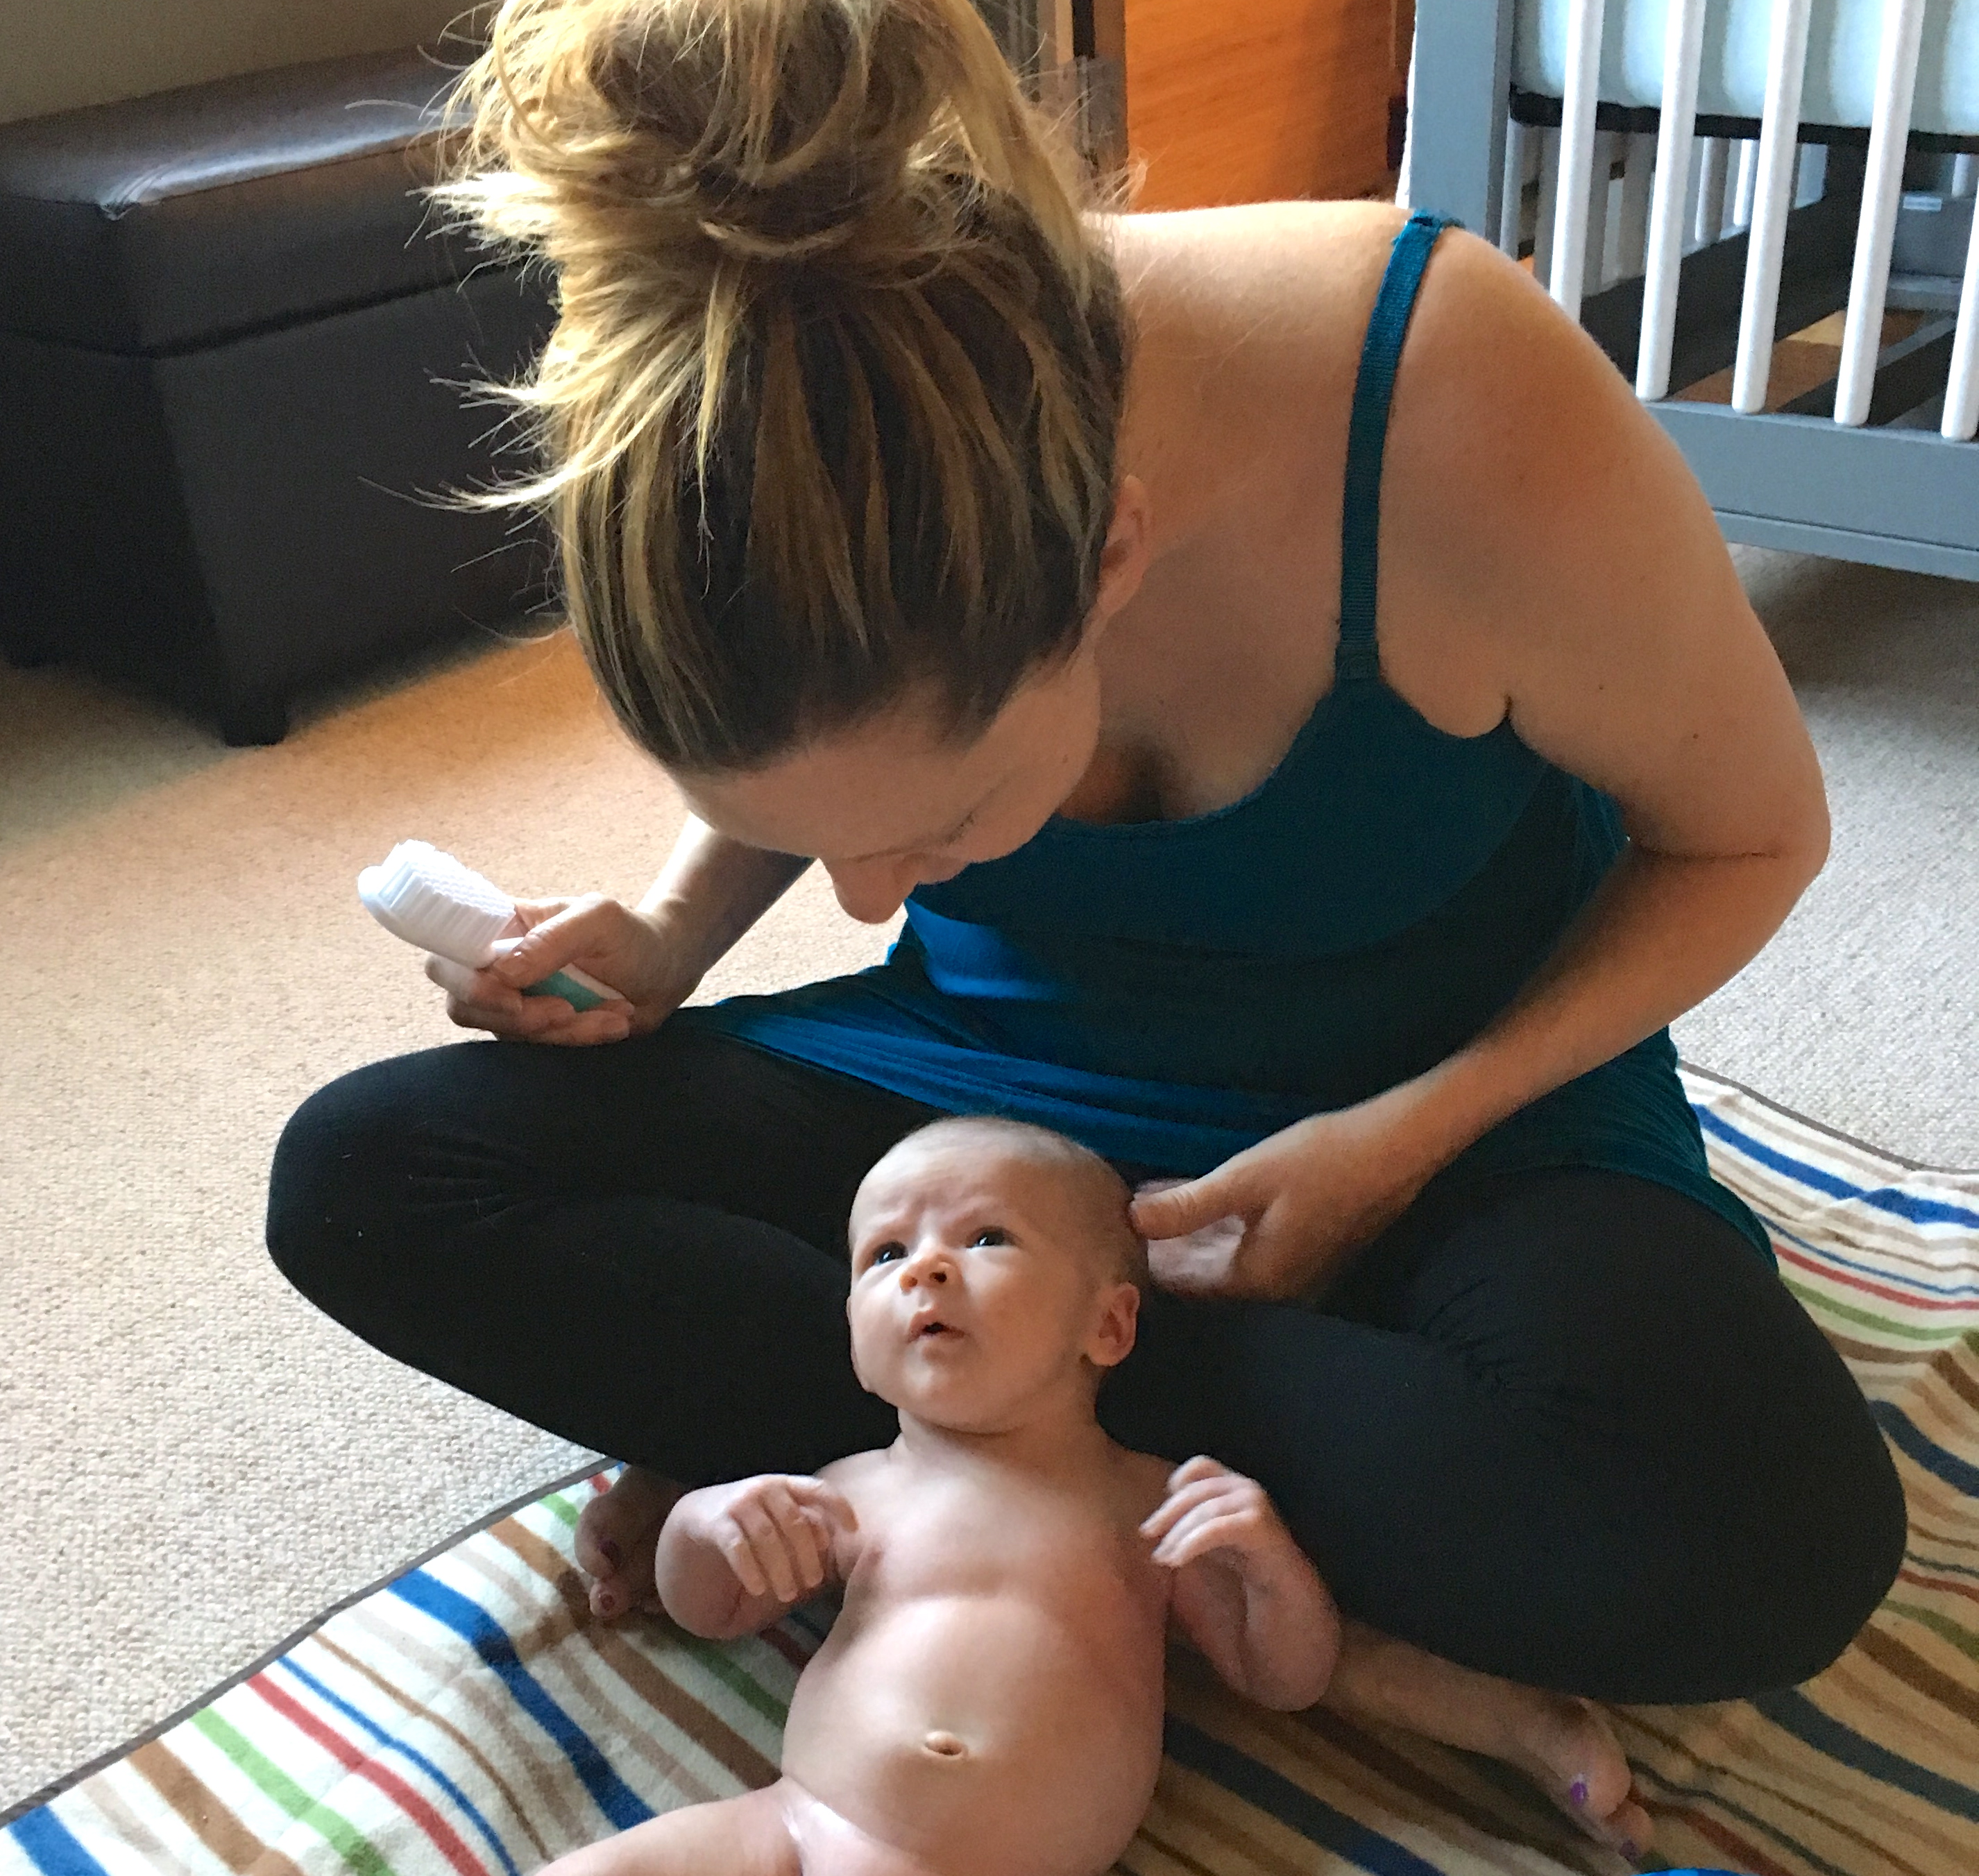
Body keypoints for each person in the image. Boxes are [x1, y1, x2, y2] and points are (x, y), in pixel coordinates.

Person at [267, 0, 1905, 1860]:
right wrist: (664, 930)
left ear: (1109, 562)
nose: (870, 897)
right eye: (831, 841)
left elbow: (1749, 837)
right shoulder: (777, 392)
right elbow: (820, 740)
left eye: (942, 820)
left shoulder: (1454, 402)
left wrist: (1396, 1143)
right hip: (993, 1104)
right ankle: (1055, 1454)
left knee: (1763, 1542)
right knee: (369, 1177)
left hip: (1454, 1099)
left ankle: (958, 1438)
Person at [547, 1114, 1342, 1876]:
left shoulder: (1151, 1504)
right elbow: (710, 1609)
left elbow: (1279, 1678)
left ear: (1107, 1324)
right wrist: (701, 1524)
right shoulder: (852, 1489)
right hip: (799, 1828)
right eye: (885, 1253)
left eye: (986, 1237)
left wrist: (1271, 1569)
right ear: (855, 1340)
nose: (923, 1268)